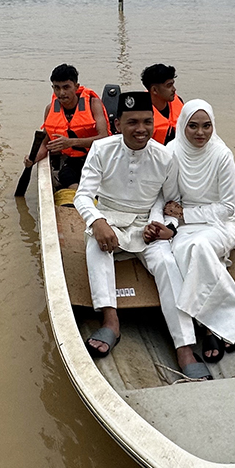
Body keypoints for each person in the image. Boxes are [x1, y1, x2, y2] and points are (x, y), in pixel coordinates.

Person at [73, 91, 209, 380]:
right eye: (132, 122)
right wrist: (97, 221)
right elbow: (83, 195)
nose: (141, 129)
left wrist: (165, 227)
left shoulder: (165, 157)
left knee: (167, 264)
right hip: (108, 217)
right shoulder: (101, 149)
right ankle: (111, 321)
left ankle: (184, 346)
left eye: (147, 122)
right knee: (96, 247)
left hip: (146, 224)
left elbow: (171, 202)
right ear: (117, 123)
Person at [163, 100, 235, 365]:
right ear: (182, 126)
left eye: (207, 126)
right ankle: (218, 322)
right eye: (193, 126)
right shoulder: (172, 152)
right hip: (185, 227)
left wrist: (187, 214)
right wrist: (177, 220)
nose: (201, 133)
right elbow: (171, 200)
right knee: (190, 249)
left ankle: (210, 325)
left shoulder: (222, 155)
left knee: (199, 248)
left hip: (220, 225)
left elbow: (227, 208)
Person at [24, 64, 108, 189]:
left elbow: (104, 138)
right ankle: (80, 196)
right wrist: (33, 158)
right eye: (57, 88)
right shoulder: (50, 109)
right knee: (66, 176)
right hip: (74, 159)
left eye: (66, 87)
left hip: (97, 157)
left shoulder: (93, 104)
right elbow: (45, 143)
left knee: (98, 177)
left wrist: (70, 142)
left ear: (76, 87)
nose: (61, 93)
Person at [141, 63, 184, 144]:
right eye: (169, 86)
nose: (174, 89)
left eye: (173, 84)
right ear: (154, 90)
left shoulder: (178, 101)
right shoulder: (139, 112)